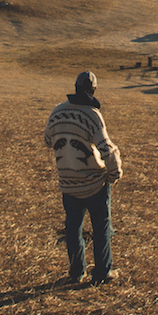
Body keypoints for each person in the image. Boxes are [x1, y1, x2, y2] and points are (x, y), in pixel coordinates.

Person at [44, 71, 122, 286]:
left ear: (75, 86)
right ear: (94, 89)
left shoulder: (57, 111)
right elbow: (106, 148)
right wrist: (114, 173)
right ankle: (103, 271)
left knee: (72, 228)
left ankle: (77, 272)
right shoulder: (91, 114)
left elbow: (48, 140)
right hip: (94, 183)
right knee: (101, 228)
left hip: (68, 182)